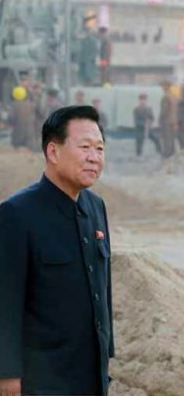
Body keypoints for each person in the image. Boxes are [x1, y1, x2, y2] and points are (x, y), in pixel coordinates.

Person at [0, 105, 114, 396]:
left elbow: (103, 288)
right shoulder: (16, 214)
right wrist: (7, 374)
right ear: (53, 152)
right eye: (85, 147)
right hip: (42, 379)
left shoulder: (95, 207)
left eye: (99, 149)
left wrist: (106, 355)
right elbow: (5, 301)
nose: (94, 157)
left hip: (90, 375)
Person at [159, 80, 179, 158]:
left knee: (167, 138)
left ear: (166, 87)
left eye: (163, 86)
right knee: (172, 138)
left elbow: (164, 110)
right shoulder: (173, 96)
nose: (162, 88)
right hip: (174, 121)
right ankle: (172, 154)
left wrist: (160, 120)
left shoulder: (166, 97)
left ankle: (167, 155)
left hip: (166, 121)